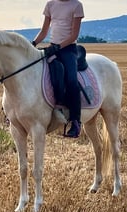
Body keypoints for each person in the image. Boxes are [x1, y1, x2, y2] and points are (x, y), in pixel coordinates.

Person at [32, 0, 84, 138]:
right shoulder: (50, 5)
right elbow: (44, 31)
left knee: (72, 81)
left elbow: (74, 35)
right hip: (53, 48)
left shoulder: (76, 5)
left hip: (68, 50)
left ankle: (75, 121)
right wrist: (33, 43)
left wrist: (59, 47)